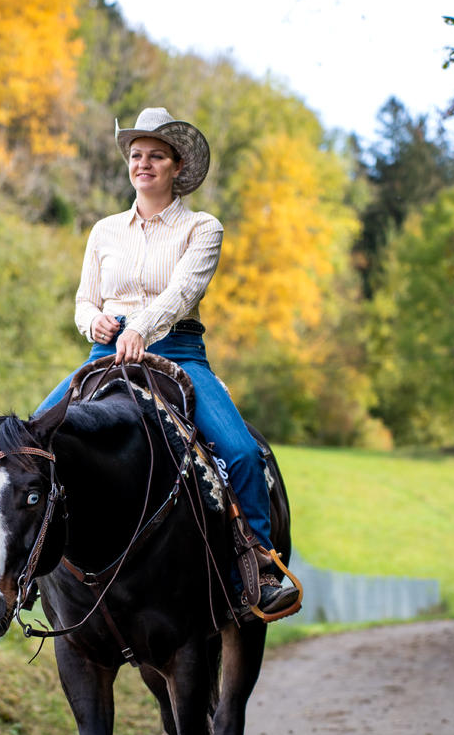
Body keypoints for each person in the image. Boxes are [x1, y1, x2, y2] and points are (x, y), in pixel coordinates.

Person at [37, 107, 299, 619]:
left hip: (177, 352)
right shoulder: (104, 231)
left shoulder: (202, 228)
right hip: (103, 355)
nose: (144, 164)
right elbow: (84, 301)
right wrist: (94, 324)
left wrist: (142, 328)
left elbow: (183, 291)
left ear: (178, 166)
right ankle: (27, 569)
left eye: (156, 155)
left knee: (242, 453)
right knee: (26, 440)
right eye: (137, 155)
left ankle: (259, 567)